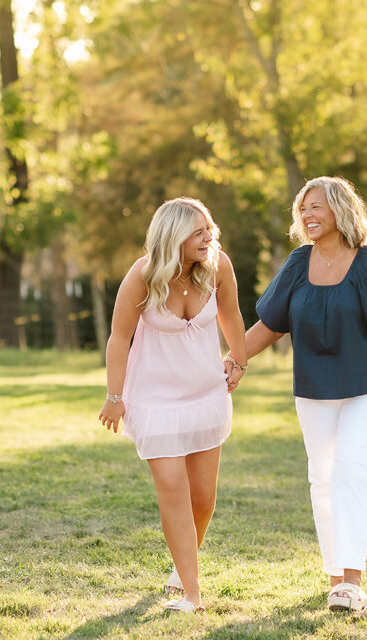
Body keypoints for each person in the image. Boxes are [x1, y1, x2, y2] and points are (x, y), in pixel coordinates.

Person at [228, 176, 367, 613]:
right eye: (303, 209)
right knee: (322, 477)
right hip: (314, 392)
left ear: (340, 210)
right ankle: (334, 575)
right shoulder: (298, 263)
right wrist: (236, 360)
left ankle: (352, 581)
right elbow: (271, 325)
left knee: (352, 465)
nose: (308, 215)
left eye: (317, 206)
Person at [98, 197, 247, 614]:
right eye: (198, 232)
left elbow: (231, 316)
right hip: (154, 400)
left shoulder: (219, 266)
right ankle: (192, 594)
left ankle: (182, 570)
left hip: (206, 394)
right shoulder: (143, 275)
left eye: (210, 229)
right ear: (174, 236)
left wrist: (239, 359)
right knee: (173, 490)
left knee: (202, 497)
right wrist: (114, 396)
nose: (209, 237)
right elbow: (117, 337)